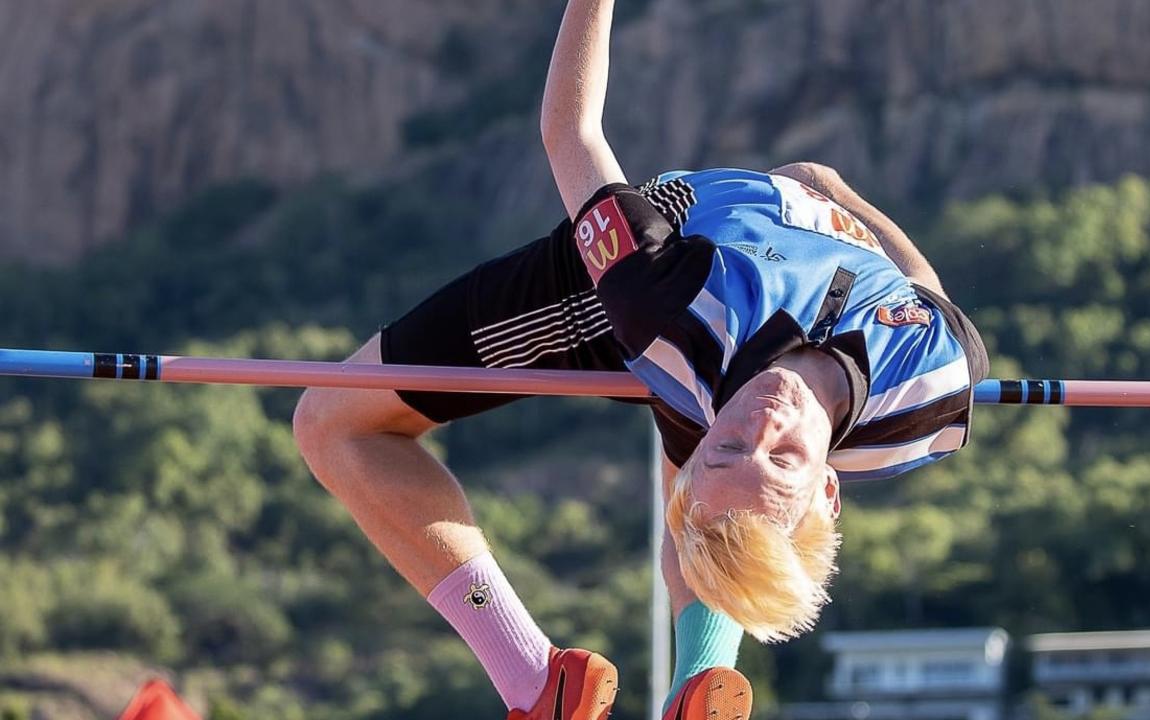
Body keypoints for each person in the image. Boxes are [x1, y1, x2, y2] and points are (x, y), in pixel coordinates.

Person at [292, 1, 988, 719]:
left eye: (728, 446)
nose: (764, 419)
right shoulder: (931, 385)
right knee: (708, 468)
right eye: (781, 458)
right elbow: (925, 291)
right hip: (747, 280)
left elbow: (570, 131)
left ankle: (535, 683)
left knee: (332, 423)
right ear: (829, 490)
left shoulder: (662, 301)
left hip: (622, 287)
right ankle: (703, 675)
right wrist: (833, 189)